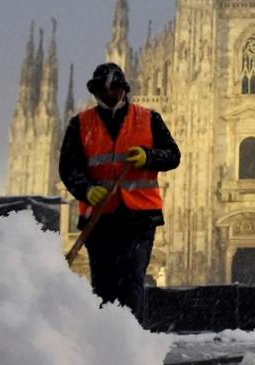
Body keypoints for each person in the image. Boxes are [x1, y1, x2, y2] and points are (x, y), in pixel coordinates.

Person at [60, 62, 180, 318]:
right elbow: (68, 168)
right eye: (103, 91)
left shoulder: (148, 119)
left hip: (139, 218)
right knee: (103, 285)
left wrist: (149, 156)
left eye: (114, 89)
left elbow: (173, 156)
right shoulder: (80, 124)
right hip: (100, 219)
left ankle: (131, 337)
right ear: (95, 93)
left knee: (132, 279)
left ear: (124, 90)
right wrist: (86, 189)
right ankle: (107, 340)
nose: (109, 95)